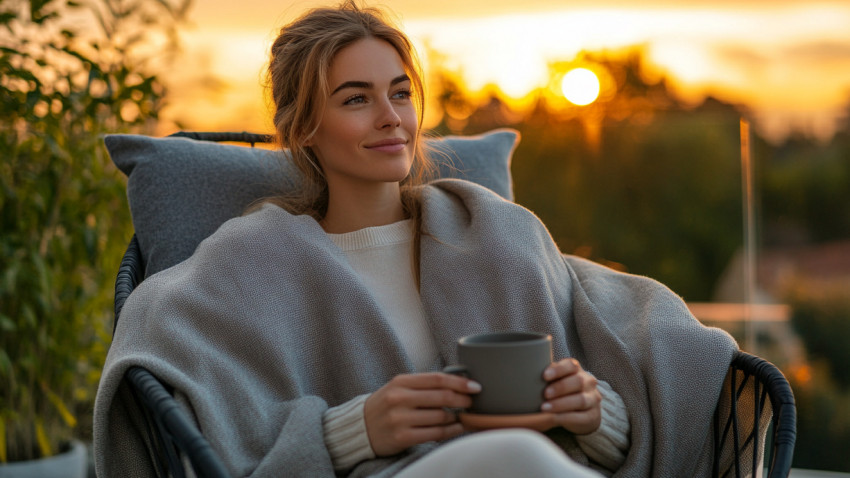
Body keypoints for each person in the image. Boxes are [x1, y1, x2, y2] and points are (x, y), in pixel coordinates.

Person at [93, 1, 740, 477]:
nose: (391, 119)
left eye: (400, 93)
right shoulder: (254, 261)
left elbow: (607, 408)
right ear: (303, 129)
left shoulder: (498, 233)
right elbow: (165, 345)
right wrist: (355, 430)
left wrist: (595, 413)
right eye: (356, 99)